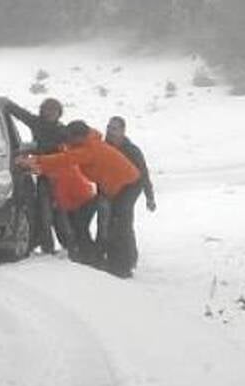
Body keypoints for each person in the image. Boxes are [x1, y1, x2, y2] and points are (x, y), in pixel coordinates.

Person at [19, 120, 142, 277]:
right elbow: (65, 156)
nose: (68, 140)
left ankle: (122, 267)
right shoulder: (86, 143)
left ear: (79, 137)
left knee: (119, 224)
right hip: (116, 187)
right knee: (113, 223)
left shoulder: (89, 149)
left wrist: (34, 162)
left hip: (128, 185)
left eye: (70, 137)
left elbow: (65, 159)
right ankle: (114, 261)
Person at [0, 95, 66, 253]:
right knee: (45, 213)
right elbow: (20, 114)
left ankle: (68, 246)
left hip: (61, 178)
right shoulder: (37, 123)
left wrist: (34, 148)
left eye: (53, 111)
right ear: (42, 111)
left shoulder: (63, 131)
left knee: (62, 214)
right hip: (44, 176)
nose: (49, 114)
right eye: (47, 110)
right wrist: (7, 103)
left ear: (59, 113)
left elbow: (63, 150)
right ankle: (48, 248)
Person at [103, 116, 156, 275]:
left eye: (114, 129)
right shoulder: (104, 147)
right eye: (108, 128)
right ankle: (115, 259)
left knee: (123, 219)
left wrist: (150, 197)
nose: (110, 132)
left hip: (132, 187)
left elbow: (144, 174)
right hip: (113, 188)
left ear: (122, 131)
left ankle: (126, 262)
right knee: (111, 221)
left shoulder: (132, 150)